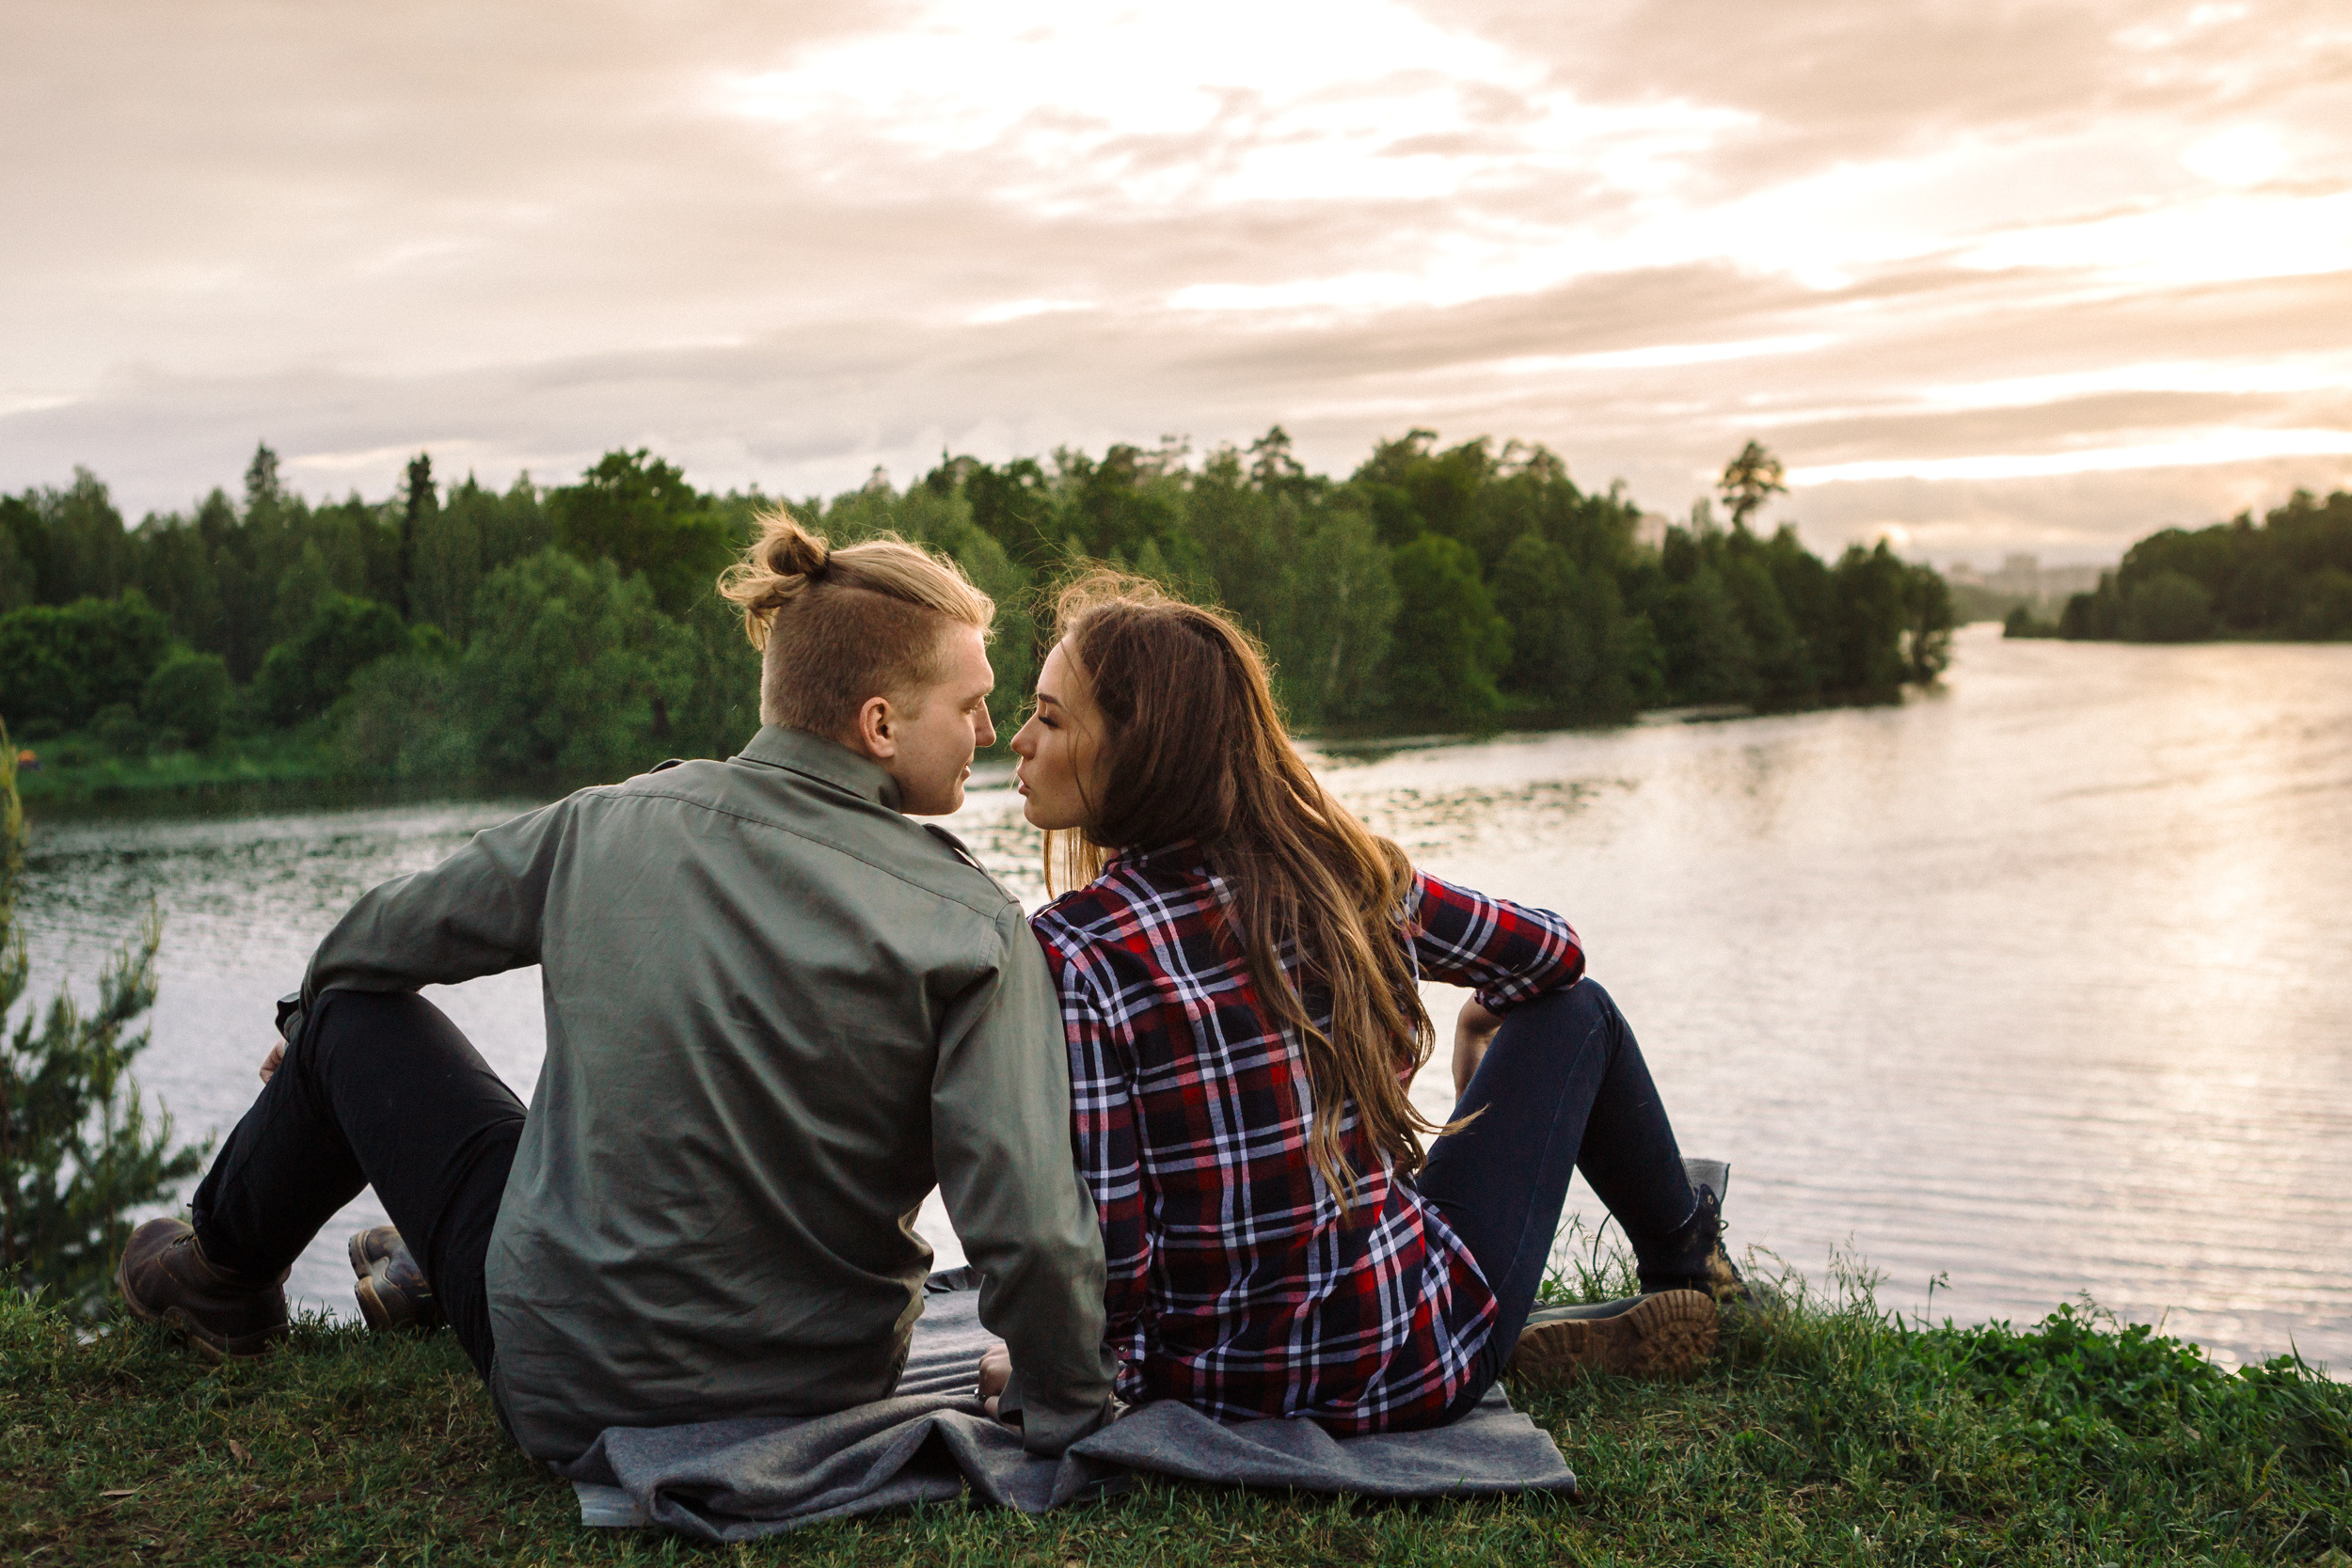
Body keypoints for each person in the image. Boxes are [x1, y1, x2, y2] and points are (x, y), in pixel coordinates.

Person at [117, 516, 1118, 1463]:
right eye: (971, 702)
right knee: (507, 1141)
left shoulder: (603, 825)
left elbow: (379, 935)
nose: (992, 727)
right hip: (824, 1391)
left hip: (564, 1385)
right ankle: (415, 1267)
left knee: (348, 1013)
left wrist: (306, 1027)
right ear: (880, 722)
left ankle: (219, 1280)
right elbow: (1024, 1220)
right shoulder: (974, 923)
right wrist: (1068, 1400)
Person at [988, 575, 1743, 1433]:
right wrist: (1471, 1012)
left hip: (1209, 1393)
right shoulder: (1336, 876)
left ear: (1142, 745)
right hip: (1411, 1362)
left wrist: (1042, 1364)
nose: (1018, 739)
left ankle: (1605, 1295)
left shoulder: (1070, 949)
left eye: (1049, 717)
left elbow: (1118, 1262)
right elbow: (1556, 956)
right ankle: (1689, 1254)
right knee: (1579, 1014)